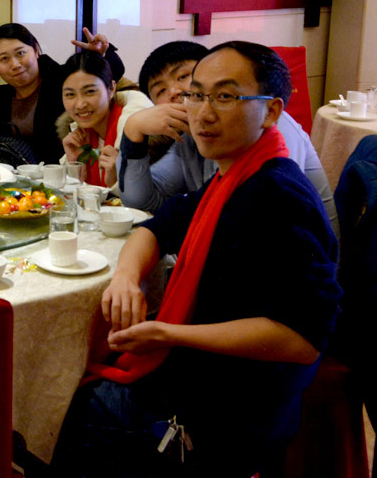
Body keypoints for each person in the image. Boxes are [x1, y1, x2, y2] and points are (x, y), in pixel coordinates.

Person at [49, 42, 341, 477]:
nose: (202, 113)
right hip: (202, 372)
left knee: (64, 404)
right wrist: (125, 276)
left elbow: (303, 338)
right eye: (196, 94)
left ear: (272, 111)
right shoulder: (232, 175)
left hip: (231, 406)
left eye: (225, 97)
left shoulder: (277, 195)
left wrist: (170, 333)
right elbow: (156, 225)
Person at [117, 41, 338, 235]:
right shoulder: (191, 139)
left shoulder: (269, 124)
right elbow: (142, 202)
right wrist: (133, 131)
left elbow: (262, 216)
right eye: (160, 91)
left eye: (183, 77)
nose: (174, 92)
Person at [0, 24, 125, 165]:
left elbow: (109, 77)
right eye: (4, 59)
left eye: (21, 53)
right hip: (0, 183)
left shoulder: (62, 82)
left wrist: (102, 55)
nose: (15, 64)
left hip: (53, 180)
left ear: (36, 50)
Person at [56, 51, 152, 187]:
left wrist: (117, 178)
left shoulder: (133, 132)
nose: (80, 104)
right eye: (70, 94)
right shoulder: (79, 136)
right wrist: (74, 164)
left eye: (90, 91)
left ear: (111, 89)